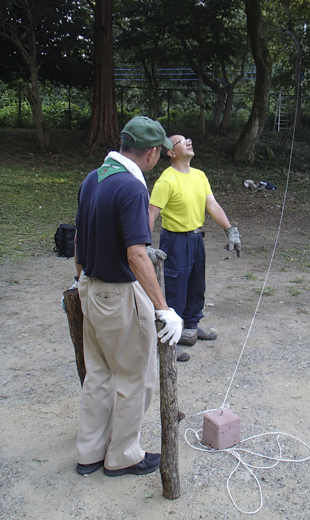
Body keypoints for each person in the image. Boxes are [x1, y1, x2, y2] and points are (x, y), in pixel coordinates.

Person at [74, 116, 183, 477]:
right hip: (117, 293)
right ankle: (123, 455)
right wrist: (163, 309)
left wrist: (80, 282)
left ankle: (90, 451)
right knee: (135, 376)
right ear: (152, 152)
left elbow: (77, 239)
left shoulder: (93, 179)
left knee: (99, 374)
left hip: (89, 287)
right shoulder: (132, 188)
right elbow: (137, 254)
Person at [149, 134, 241, 356]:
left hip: (196, 239)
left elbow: (213, 205)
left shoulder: (200, 176)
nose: (189, 142)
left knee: (196, 284)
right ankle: (171, 339)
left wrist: (230, 230)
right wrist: (144, 243)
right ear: (171, 153)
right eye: (182, 141)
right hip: (175, 241)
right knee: (176, 288)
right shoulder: (167, 180)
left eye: (188, 139)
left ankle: (191, 326)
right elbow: (151, 214)